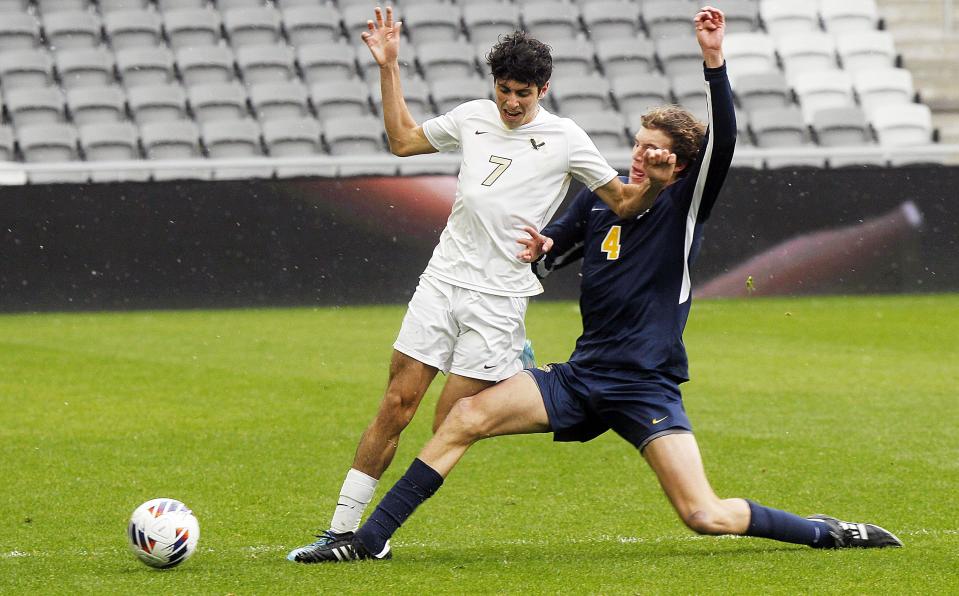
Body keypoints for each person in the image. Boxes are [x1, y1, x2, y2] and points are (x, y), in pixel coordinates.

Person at [291, 6, 903, 563]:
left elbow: (717, 149)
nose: (641, 157)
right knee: (461, 420)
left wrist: (713, 63)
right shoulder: (596, 198)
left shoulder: (680, 204)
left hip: (643, 386)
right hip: (581, 376)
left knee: (703, 514)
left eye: (656, 152)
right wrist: (544, 251)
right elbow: (557, 238)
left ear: (680, 165)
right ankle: (362, 541)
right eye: (639, 147)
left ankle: (827, 532)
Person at [289, 7, 677, 561]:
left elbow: (622, 202)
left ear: (544, 88)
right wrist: (389, 65)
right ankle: (342, 531)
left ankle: (510, 366)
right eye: (503, 90)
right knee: (397, 406)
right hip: (443, 281)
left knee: (451, 425)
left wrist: (657, 187)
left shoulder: (566, 138)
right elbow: (402, 141)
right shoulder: (473, 117)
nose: (511, 102)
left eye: (522, 92)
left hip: (499, 299)